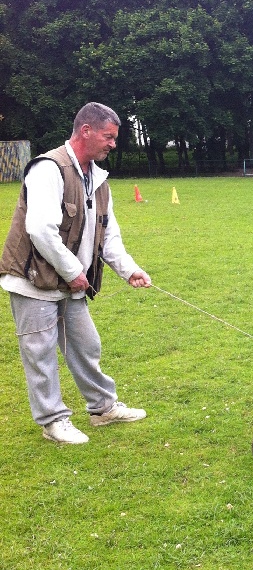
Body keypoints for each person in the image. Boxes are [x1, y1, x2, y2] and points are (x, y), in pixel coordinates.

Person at [0, 102, 152, 444]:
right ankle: (53, 421)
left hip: (72, 284)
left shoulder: (98, 180)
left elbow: (108, 236)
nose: (113, 144)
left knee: (86, 345)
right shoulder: (48, 168)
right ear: (86, 131)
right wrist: (72, 271)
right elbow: (39, 229)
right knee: (40, 353)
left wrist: (130, 271)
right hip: (32, 281)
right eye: (108, 136)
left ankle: (103, 408)